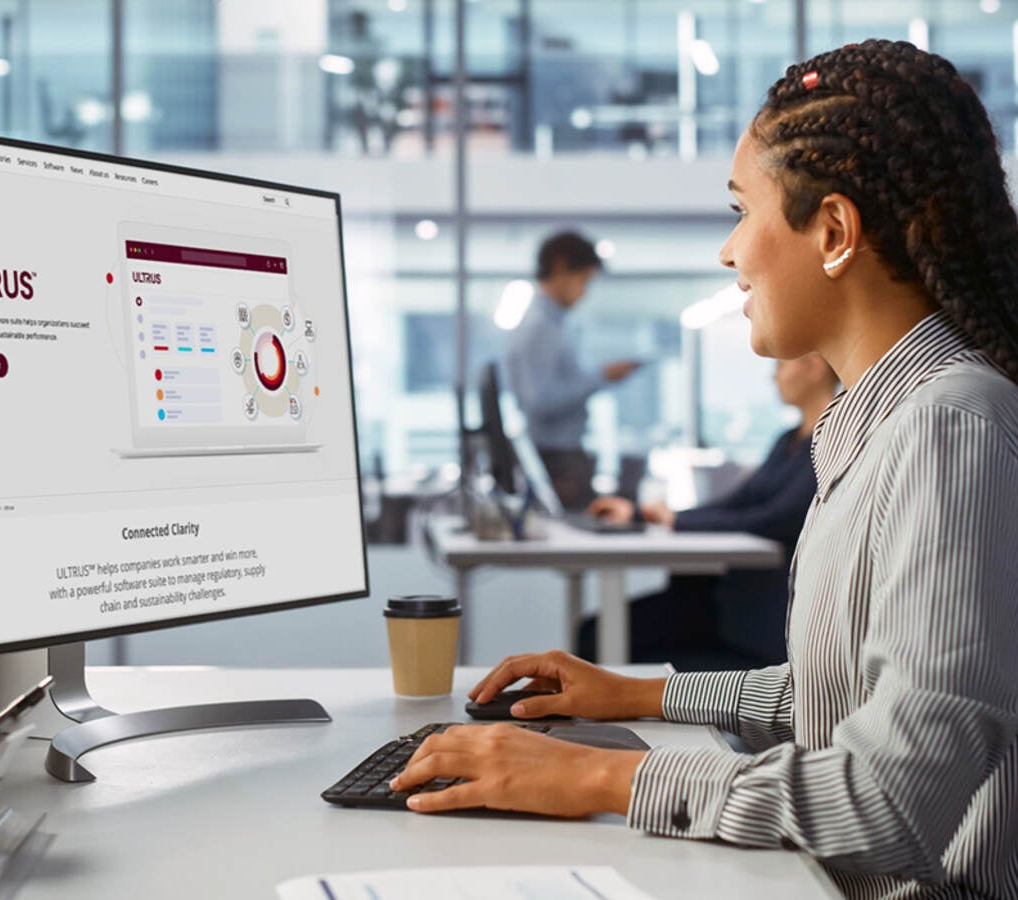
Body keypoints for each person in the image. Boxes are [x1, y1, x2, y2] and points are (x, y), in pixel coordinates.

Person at [394, 40, 1018, 899]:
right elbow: (833, 698)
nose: (729, 254)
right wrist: (633, 695)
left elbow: (889, 800)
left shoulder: (949, 426)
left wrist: (590, 779)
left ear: (833, 232)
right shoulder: (879, 423)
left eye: (740, 211)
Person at [577, 353, 837, 669]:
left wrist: (676, 520)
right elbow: (736, 502)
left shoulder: (830, 443)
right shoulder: (787, 441)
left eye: (780, 366)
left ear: (814, 367)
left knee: (599, 637)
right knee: (593, 632)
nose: (774, 377)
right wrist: (645, 514)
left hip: (761, 615)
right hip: (732, 597)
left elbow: (774, 519)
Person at [505, 231, 640, 510]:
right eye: (583, 280)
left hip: (559, 454)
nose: (584, 292)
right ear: (560, 267)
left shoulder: (552, 325)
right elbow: (539, 400)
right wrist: (601, 377)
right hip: (556, 457)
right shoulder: (540, 328)